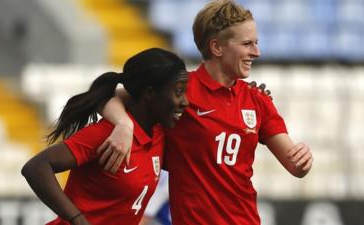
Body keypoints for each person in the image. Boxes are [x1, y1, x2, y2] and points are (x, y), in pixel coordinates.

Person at [97, 1, 314, 225]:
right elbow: (109, 97)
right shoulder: (180, 89)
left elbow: (295, 166)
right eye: (247, 44)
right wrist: (124, 125)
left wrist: (303, 159)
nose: (256, 52)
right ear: (216, 47)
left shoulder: (257, 100)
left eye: (256, 43)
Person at [21, 48, 189, 225]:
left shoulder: (158, 134)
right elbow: (36, 168)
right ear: (149, 92)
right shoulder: (107, 134)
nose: (186, 101)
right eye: (178, 92)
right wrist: (77, 219)